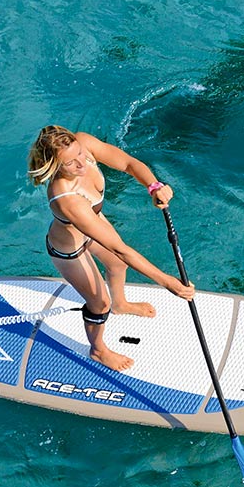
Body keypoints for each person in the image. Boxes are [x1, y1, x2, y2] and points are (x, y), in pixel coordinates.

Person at [27, 125, 195, 372]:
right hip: (70, 248)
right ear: (54, 166)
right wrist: (167, 281)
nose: (82, 165)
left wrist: (153, 186)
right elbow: (119, 248)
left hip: (93, 221)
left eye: (80, 155)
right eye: (70, 164)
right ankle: (98, 349)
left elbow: (128, 163)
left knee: (117, 265)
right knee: (99, 304)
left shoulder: (84, 143)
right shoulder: (66, 199)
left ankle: (121, 304)